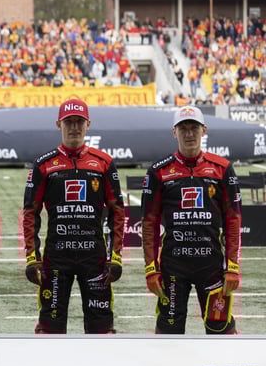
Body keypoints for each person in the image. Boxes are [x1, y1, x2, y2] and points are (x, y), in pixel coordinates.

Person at [23, 98, 125, 334]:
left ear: (88, 124)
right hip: (56, 258)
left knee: (101, 327)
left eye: (79, 121)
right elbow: (30, 214)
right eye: (69, 122)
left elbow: (118, 213)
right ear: (59, 124)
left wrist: (115, 257)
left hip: (95, 259)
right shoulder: (44, 165)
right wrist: (31, 257)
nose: (75, 127)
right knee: (50, 328)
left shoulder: (104, 163)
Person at [141, 105, 242, 334]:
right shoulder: (158, 171)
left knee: (221, 329)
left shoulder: (223, 169)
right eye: (183, 128)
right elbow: (149, 223)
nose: (189, 134)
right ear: (174, 132)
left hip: (212, 266)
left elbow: (233, 220)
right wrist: (150, 269)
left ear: (203, 130)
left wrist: (233, 267)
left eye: (194, 128)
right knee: (168, 331)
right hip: (173, 268)